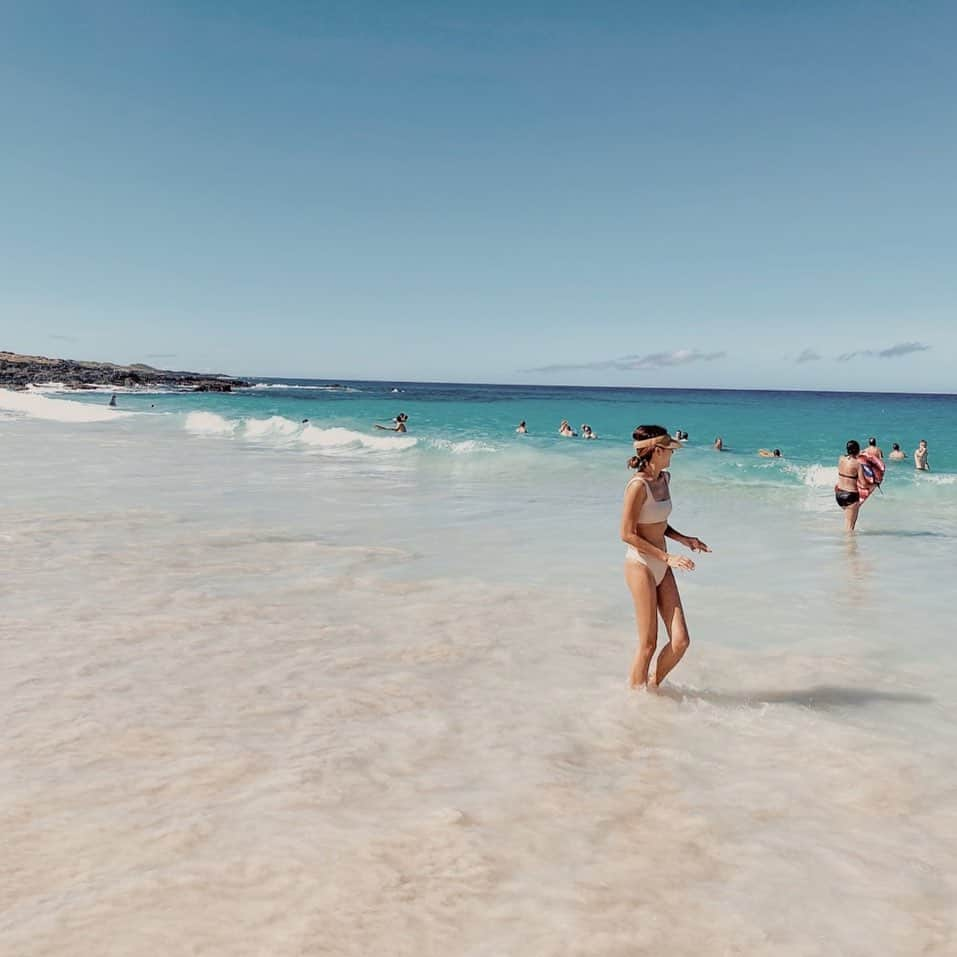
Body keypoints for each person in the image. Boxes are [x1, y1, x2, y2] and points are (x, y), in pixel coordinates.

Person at [620, 425, 711, 690]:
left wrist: (686, 540)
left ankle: (652, 689)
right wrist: (667, 557)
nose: (673, 453)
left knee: (681, 640)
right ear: (657, 451)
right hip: (641, 564)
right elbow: (627, 533)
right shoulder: (637, 486)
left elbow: (658, 524)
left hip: (662, 561)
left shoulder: (665, 479)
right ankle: (634, 704)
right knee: (648, 644)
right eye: (669, 449)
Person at [835, 440, 863, 531]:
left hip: (839, 495)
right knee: (849, 528)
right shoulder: (858, 464)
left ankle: (848, 543)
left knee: (848, 523)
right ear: (857, 450)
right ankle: (849, 544)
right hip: (851, 496)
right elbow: (862, 482)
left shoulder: (840, 458)